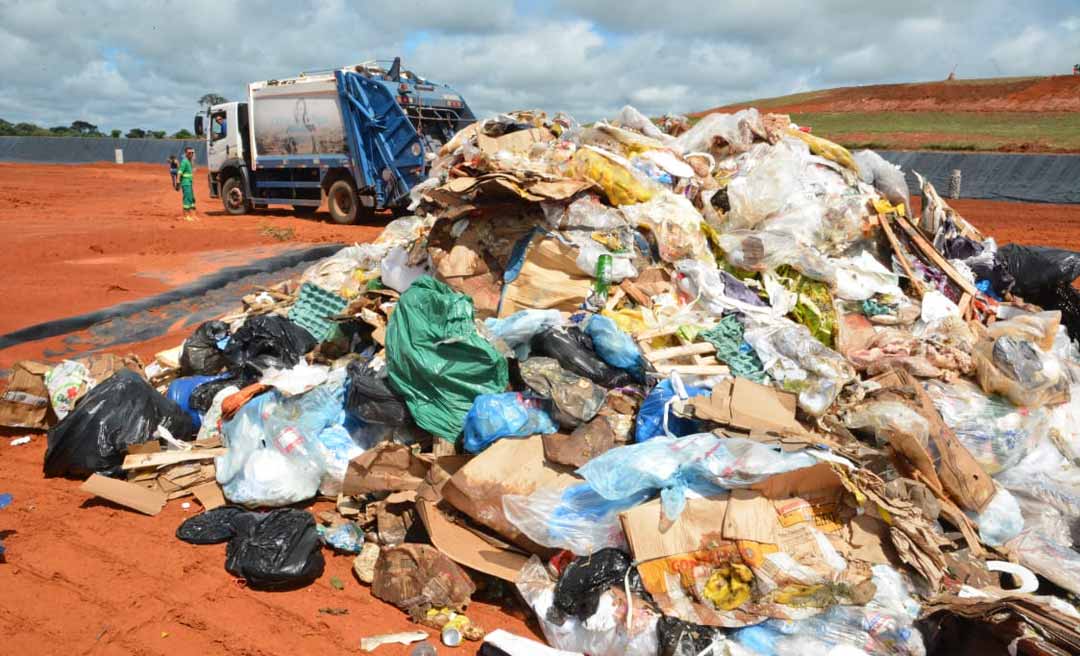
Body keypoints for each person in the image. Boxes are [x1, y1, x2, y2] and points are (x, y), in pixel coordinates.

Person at [178, 147, 198, 221]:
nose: (191, 154)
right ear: (186, 153)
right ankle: (186, 216)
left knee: (192, 199)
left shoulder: (190, 161)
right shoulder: (184, 161)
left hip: (189, 182)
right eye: (189, 153)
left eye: (192, 153)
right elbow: (180, 172)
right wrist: (178, 181)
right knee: (187, 198)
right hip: (185, 183)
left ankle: (193, 215)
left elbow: (193, 169)